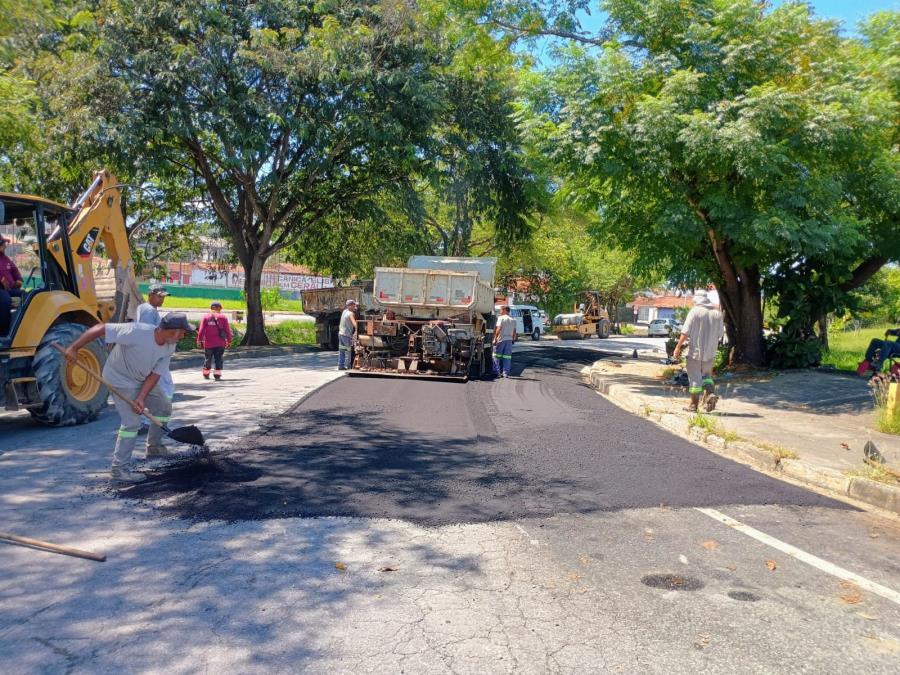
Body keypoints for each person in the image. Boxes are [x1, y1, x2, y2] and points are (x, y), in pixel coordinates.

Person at [63, 313, 194, 484]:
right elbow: (101, 328)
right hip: (120, 379)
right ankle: (119, 470)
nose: (183, 336)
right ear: (173, 331)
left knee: (163, 407)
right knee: (131, 423)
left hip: (143, 378)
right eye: (183, 332)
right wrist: (74, 348)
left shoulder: (170, 346)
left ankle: (154, 447)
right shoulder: (137, 332)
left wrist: (141, 397)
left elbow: (155, 374)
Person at [672, 290, 725, 412]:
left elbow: (685, 332)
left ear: (697, 299)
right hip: (711, 353)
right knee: (706, 376)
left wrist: (678, 347)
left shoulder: (695, 312)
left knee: (695, 378)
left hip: (695, 352)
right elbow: (720, 334)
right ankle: (710, 394)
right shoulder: (717, 314)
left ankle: (693, 405)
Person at [135, 283, 173, 434]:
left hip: (147, 354)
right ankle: (153, 421)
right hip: (153, 355)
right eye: (159, 296)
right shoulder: (149, 311)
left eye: (163, 297)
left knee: (154, 387)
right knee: (165, 387)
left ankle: (148, 420)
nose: (162, 299)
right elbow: (150, 333)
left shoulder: (143, 308)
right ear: (150, 295)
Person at [197, 301, 233, 380]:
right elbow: (227, 331)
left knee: (208, 358)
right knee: (219, 358)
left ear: (211, 308)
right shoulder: (223, 317)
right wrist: (229, 341)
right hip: (221, 343)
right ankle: (217, 374)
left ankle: (206, 373)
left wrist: (199, 340)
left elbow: (201, 330)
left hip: (208, 343)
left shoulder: (205, 317)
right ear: (219, 308)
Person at [0, 236, 24, 336]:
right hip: (1, 289)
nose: (5, 246)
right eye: (3, 244)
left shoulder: (6, 259)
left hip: (10, 288)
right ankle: (3, 332)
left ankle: (21, 324)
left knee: (28, 295)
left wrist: (18, 281)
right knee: (5, 300)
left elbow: (16, 273)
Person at [493, 305, 517, 378]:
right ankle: (505, 373)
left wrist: (495, 338)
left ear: (505, 310)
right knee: (507, 357)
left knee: (496, 356)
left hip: (501, 339)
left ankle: (496, 372)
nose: (500, 312)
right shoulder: (513, 320)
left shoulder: (501, 318)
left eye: (501, 310)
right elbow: (514, 331)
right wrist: (513, 339)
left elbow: (499, 328)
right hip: (509, 340)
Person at [338, 298, 358, 370]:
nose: (355, 307)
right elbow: (354, 323)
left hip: (340, 334)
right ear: (350, 306)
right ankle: (349, 366)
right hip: (346, 335)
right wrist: (357, 329)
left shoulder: (344, 311)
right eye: (354, 305)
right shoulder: (351, 313)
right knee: (350, 351)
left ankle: (340, 366)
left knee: (342, 350)